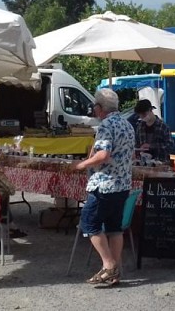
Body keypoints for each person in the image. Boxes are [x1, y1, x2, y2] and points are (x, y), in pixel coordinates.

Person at [73, 88, 134, 287]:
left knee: (90, 223)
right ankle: (114, 271)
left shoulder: (106, 125)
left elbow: (103, 155)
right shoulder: (127, 124)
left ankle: (108, 265)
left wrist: (82, 164)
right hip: (123, 184)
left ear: (99, 108)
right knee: (115, 228)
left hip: (106, 185)